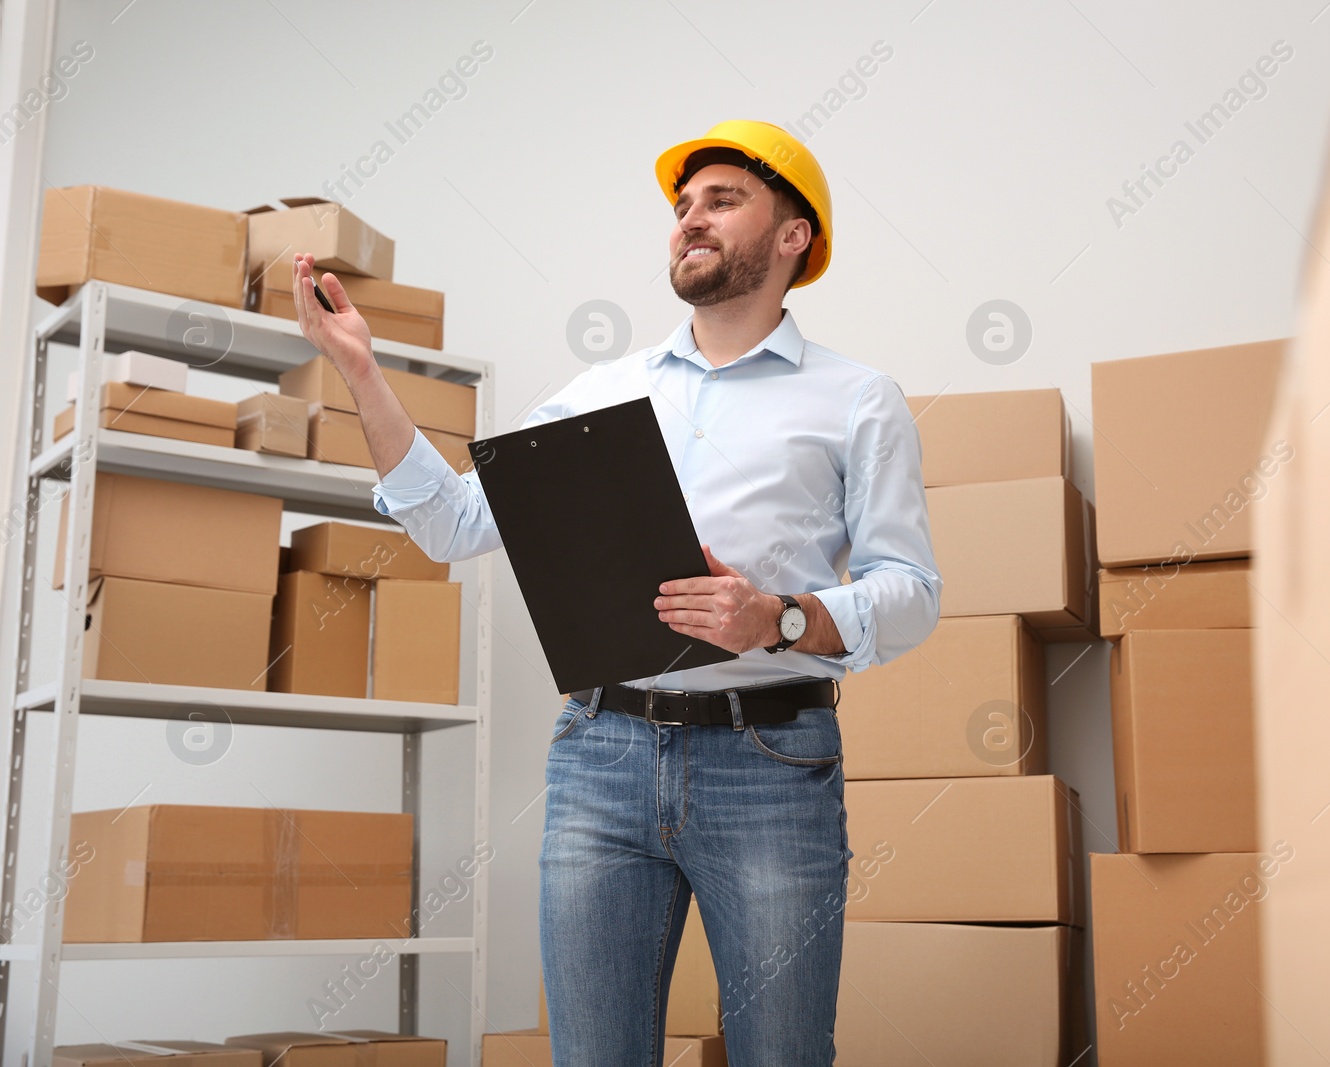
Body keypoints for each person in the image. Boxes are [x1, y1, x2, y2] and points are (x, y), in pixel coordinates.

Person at [289, 119, 941, 1066]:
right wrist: (362, 370)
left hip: (770, 764)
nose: (690, 220)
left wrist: (782, 617)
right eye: (683, 207)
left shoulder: (856, 399)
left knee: (783, 1053)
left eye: (722, 200)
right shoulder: (600, 395)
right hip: (602, 757)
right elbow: (455, 524)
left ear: (793, 235)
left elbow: (912, 591)